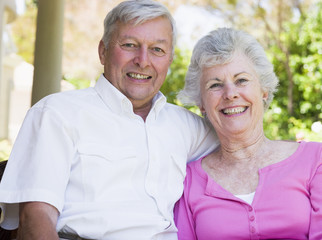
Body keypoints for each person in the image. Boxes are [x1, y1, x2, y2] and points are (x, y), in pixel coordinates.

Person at [0, 1, 218, 239]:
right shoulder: (57, 114)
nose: (143, 60)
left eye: (157, 49)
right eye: (129, 45)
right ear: (103, 51)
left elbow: (245, 149)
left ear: (170, 60)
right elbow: (35, 218)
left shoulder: (187, 127)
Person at [174, 27, 322, 239]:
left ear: (264, 90)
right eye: (215, 85)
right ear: (202, 104)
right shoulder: (188, 182)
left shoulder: (314, 160)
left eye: (241, 80)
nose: (230, 94)